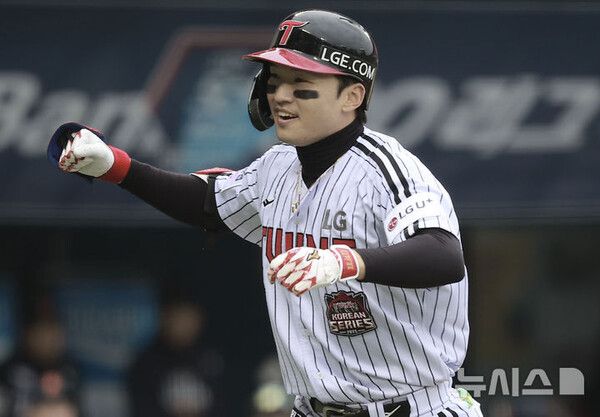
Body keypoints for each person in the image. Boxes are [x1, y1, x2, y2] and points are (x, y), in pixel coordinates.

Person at [48, 9, 484, 417]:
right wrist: (116, 167)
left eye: (301, 83)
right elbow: (207, 204)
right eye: (275, 81)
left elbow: (442, 254)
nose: (280, 96)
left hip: (414, 407)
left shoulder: (387, 169)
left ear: (352, 95)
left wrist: (345, 261)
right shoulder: (276, 167)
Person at [126, 298, 225, 417]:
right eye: (179, 317)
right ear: (165, 319)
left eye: (189, 318)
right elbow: (142, 407)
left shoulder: (211, 360)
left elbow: (223, 404)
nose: (185, 325)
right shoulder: (147, 363)